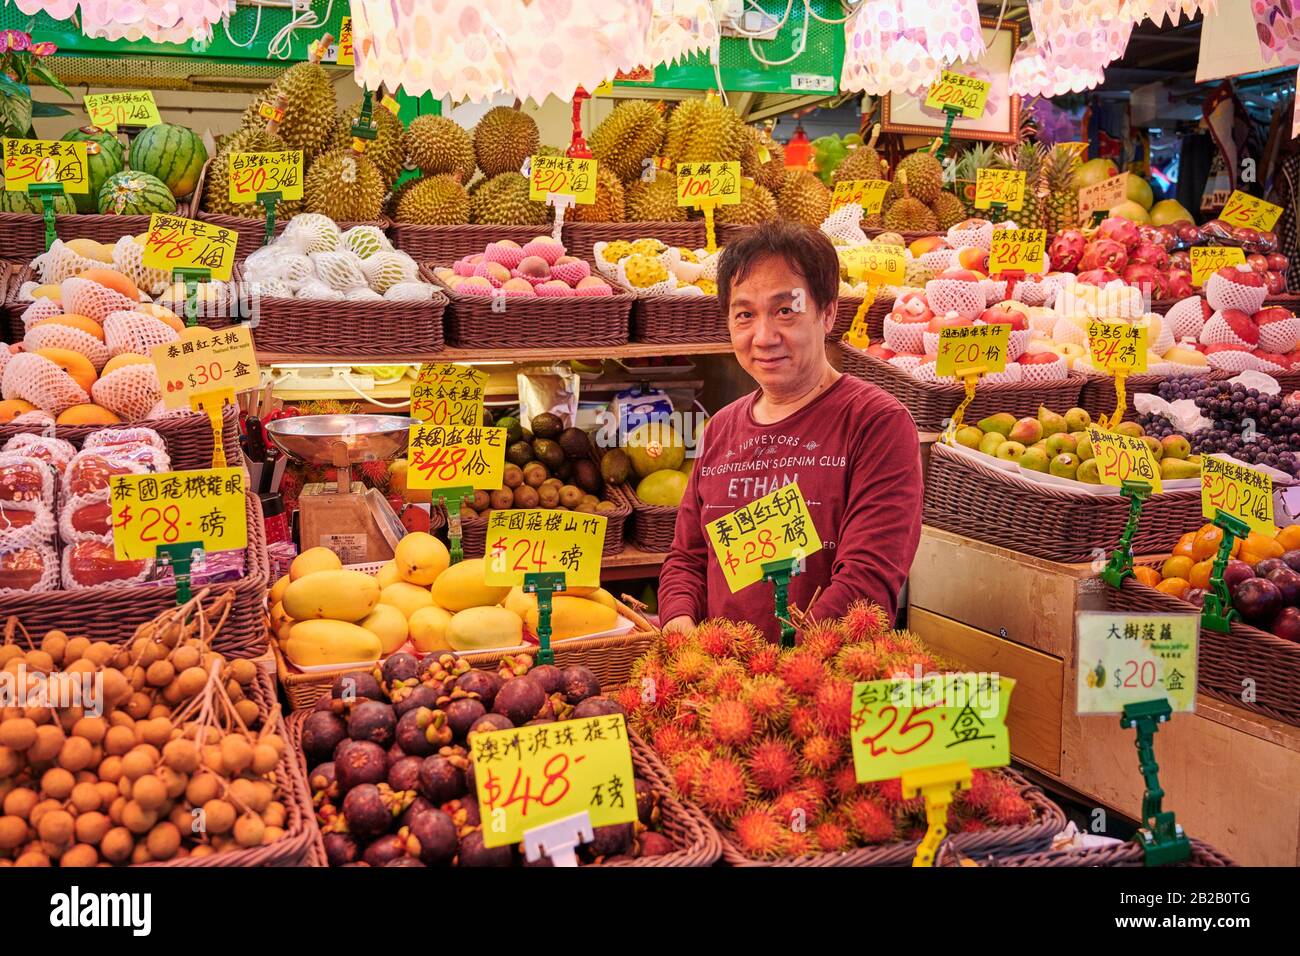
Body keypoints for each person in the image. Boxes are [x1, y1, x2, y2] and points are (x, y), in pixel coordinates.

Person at [657, 222, 922, 643]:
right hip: (720, 683)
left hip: (823, 681)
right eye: (745, 315)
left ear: (827, 313)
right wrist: (679, 624)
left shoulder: (877, 423)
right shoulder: (722, 427)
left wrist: (787, 668)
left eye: (785, 310)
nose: (763, 337)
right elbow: (688, 559)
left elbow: (868, 579)